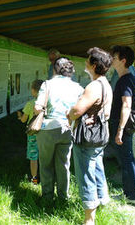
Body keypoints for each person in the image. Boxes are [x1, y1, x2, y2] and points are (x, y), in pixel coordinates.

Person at [67, 47, 113, 225]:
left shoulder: (94, 86)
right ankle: (102, 202)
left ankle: (89, 219)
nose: (85, 63)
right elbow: (105, 113)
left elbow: (78, 110)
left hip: (88, 138)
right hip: (100, 135)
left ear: (94, 65)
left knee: (85, 174)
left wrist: (69, 114)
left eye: (87, 60)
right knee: (97, 169)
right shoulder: (105, 84)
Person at [35, 57, 84, 202]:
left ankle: (47, 197)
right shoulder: (78, 88)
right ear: (71, 71)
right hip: (68, 129)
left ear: (56, 69)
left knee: (45, 164)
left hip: (48, 129)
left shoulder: (47, 84)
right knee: (64, 164)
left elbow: (38, 107)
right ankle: (63, 197)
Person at [110, 45, 135, 202]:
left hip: (123, 125)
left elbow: (126, 105)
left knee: (126, 159)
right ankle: (129, 193)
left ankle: (130, 196)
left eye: (115, 58)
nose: (112, 60)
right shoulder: (124, 78)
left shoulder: (126, 80)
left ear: (123, 60)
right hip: (122, 124)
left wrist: (120, 130)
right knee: (126, 158)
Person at [17, 79, 44, 185]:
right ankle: (47, 179)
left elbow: (24, 120)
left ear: (33, 91)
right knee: (45, 157)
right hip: (45, 133)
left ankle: (34, 181)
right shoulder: (48, 103)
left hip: (33, 134)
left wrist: (20, 116)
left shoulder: (30, 104)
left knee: (33, 158)